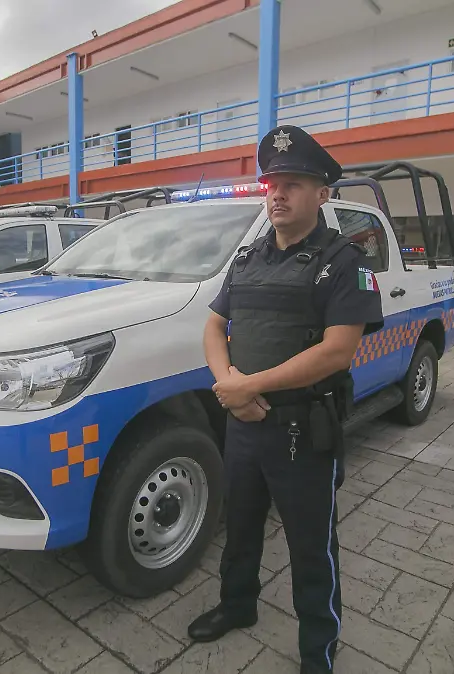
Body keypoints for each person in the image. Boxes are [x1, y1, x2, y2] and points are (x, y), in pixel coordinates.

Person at [189, 125, 383, 674]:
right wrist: (230, 386)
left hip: (302, 431)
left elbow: (336, 352)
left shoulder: (344, 261)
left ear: (322, 194)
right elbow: (212, 325)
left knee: (310, 545)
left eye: (292, 184)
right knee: (242, 524)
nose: (277, 193)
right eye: (272, 183)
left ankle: (318, 647)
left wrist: (249, 387)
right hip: (245, 425)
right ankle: (237, 605)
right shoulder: (249, 258)